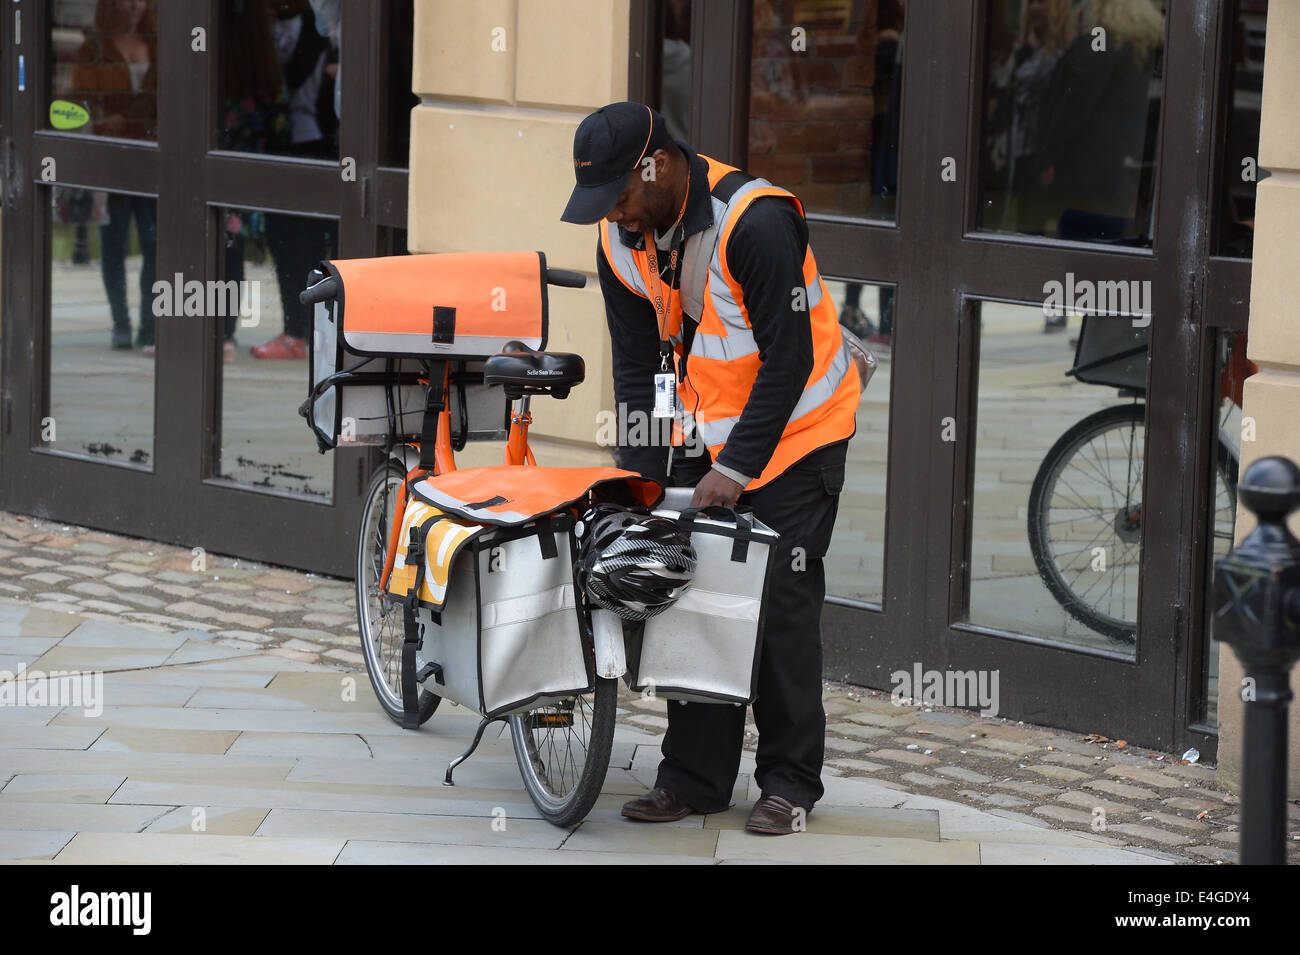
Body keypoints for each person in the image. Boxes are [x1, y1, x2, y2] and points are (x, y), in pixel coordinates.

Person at [561, 103, 860, 834]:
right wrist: (640, 477)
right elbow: (636, 368)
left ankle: (790, 783)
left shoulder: (753, 222)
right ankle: (695, 779)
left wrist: (737, 467)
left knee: (781, 605)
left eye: (622, 197)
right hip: (708, 430)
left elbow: (788, 359)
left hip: (798, 435)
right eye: (606, 207)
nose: (620, 218)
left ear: (656, 164)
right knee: (688, 592)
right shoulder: (619, 239)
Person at [65, 0, 158, 352]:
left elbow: (167, 96)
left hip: (153, 157)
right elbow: (80, 97)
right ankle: (121, 322)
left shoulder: (158, 41)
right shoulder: (95, 47)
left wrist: (130, 116)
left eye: (141, 0)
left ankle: (149, 325)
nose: (134, 6)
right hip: (112, 158)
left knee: (154, 242)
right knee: (113, 243)